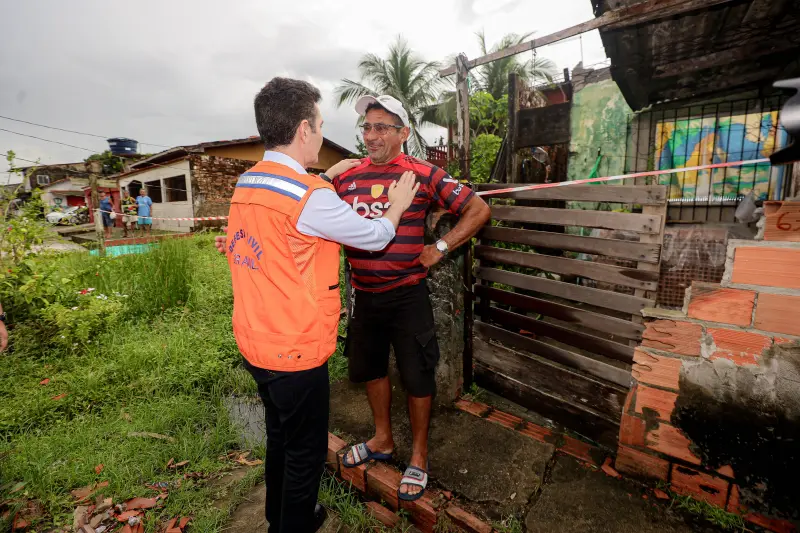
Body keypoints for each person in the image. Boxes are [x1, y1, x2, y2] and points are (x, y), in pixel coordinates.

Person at [214, 77, 419, 533]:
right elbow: (374, 236)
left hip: (255, 343)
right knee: (305, 454)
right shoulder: (310, 196)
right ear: (304, 129)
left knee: (278, 437)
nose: (324, 136)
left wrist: (326, 177)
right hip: (295, 351)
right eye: (322, 125)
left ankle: (278, 518)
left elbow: (266, 233)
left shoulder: (248, 183)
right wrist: (397, 205)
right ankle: (295, 525)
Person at [336, 95, 491, 501]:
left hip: (408, 296)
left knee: (417, 375)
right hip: (363, 297)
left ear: (404, 133)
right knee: (371, 370)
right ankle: (383, 441)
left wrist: (438, 248)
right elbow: (309, 206)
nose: (371, 135)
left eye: (381, 127)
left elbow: (478, 209)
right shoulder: (347, 177)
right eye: (367, 127)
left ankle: (418, 457)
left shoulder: (423, 173)